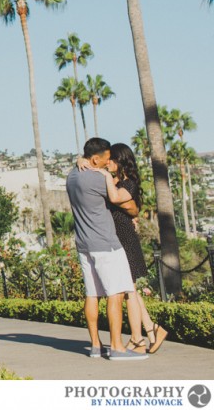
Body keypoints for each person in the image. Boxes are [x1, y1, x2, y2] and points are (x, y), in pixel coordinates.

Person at [65, 137, 147, 360]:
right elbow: (126, 203)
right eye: (107, 159)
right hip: (106, 245)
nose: (108, 163)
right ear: (95, 159)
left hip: (83, 244)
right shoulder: (97, 179)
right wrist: (135, 212)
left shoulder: (72, 176)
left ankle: (95, 345)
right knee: (116, 294)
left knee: (92, 294)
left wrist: (80, 160)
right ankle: (117, 347)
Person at [96, 143, 169, 355]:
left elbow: (120, 201)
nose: (108, 163)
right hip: (118, 240)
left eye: (111, 160)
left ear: (120, 161)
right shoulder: (117, 182)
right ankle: (150, 331)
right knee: (130, 289)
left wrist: (103, 173)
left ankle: (141, 337)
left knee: (129, 289)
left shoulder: (128, 184)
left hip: (126, 240)